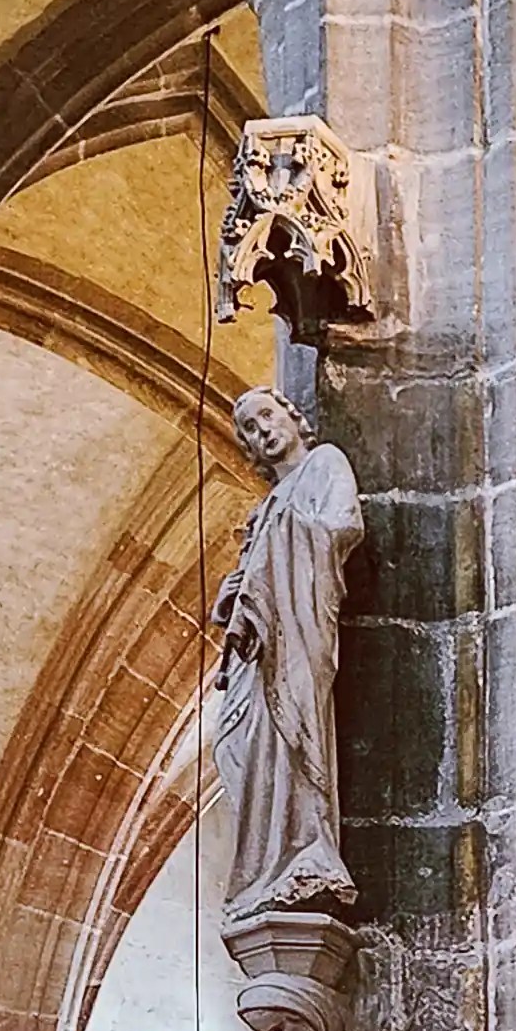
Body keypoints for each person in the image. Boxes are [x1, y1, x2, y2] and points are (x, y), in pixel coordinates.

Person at [209, 387, 362, 926]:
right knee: (241, 746)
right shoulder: (264, 506)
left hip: (299, 637)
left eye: (267, 416)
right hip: (262, 652)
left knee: (296, 736)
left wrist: (269, 563)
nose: (263, 431)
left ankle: (308, 855)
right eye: (250, 429)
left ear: (292, 417)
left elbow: (342, 527)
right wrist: (239, 594)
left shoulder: (324, 464)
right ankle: (264, 871)